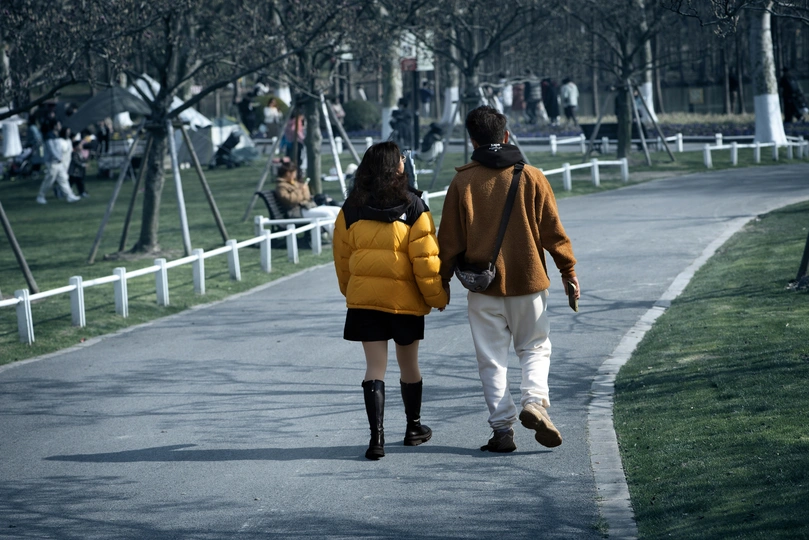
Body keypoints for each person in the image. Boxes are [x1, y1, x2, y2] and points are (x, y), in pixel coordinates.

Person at [437, 106, 580, 453]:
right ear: (506, 135)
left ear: (472, 140)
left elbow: (449, 241)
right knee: (535, 347)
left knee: (491, 359)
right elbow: (553, 232)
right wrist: (568, 272)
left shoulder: (462, 181)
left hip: (482, 287)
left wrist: (441, 283)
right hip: (528, 282)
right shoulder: (532, 176)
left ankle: (502, 431)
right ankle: (534, 401)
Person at [332, 141, 448, 460]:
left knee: (374, 367)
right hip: (404, 303)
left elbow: (342, 259)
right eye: (401, 159)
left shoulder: (351, 208)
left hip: (364, 303)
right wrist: (437, 296)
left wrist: (351, 291)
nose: (404, 162)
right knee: (409, 364)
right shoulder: (415, 206)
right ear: (396, 167)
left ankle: (376, 439)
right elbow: (426, 262)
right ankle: (413, 428)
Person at [273, 161, 340, 238]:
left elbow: (307, 197)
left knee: (338, 210)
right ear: (288, 173)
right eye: (294, 173)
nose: (295, 175)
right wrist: (300, 191)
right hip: (297, 211)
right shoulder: (281, 186)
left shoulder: (295, 183)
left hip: (308, 207)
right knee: (327, 214)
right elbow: (290, 200)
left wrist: (305, 190)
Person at [36, 122, 79, 204]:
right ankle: (41, 196)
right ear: (54, 126)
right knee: (49, 180)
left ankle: (69, 195)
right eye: (59, 125)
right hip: (52, 162)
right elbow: (52, 149)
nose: (60, 126)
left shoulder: (56, 136)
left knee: (63, 179)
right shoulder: (50, 136)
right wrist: (59, 157)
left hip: (59, 162)